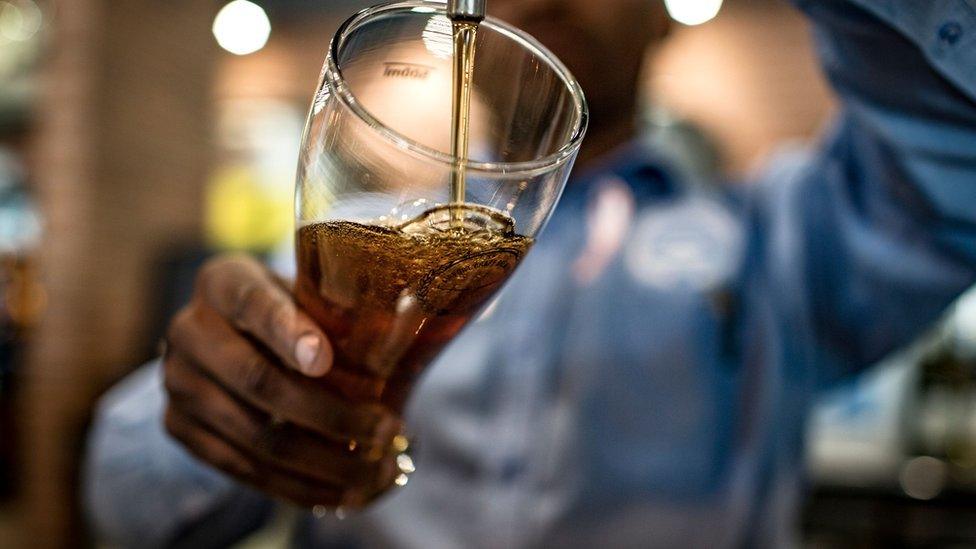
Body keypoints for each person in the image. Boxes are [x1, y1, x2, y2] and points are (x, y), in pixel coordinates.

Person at [84, 0, 976, 547]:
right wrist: (219, 412)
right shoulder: (371, 241)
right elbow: (120, 501)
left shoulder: (782, 240)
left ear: (666, 12)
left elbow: (952, 160)